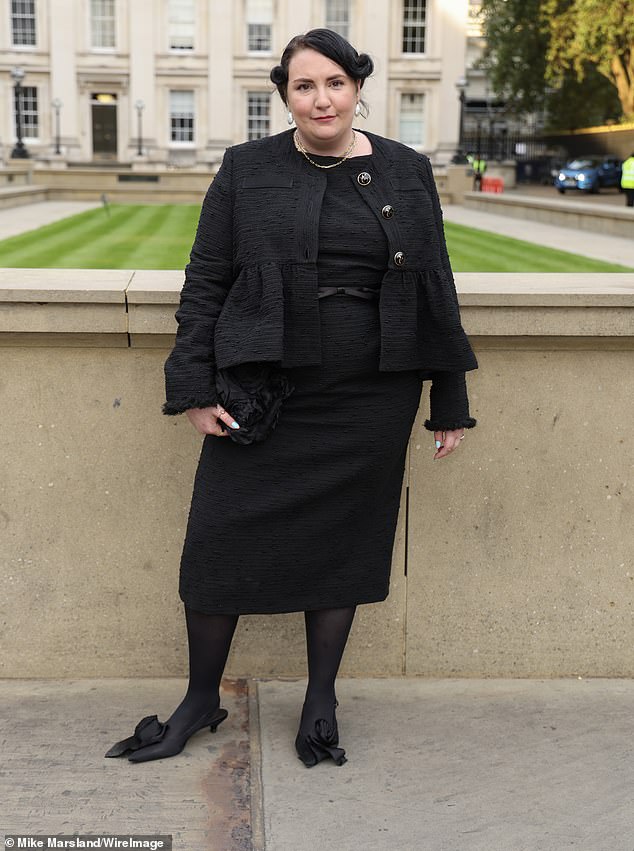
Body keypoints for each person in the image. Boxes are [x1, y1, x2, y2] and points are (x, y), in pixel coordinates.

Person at [104, 29, 477, 769]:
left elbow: (436, 280)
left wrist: (449, 398)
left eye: (334, 82)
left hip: (372, 394)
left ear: (357, 86)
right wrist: (193, 386)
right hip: (266, 388)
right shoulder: (248, 167)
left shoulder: (406, 169)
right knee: (216, 543)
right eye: (304, 86)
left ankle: (321, 701)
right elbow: (207, 277)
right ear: (285, 95)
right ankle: (199, 699)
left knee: (343, 546)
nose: (321, 98)